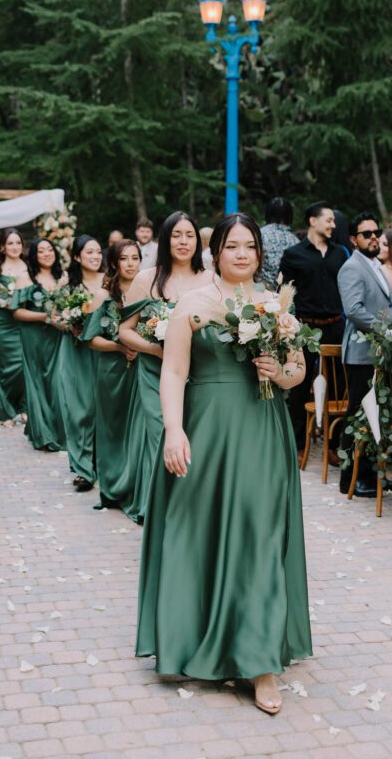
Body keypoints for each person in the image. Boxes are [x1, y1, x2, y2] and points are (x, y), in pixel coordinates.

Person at [135, 213, 311, 714]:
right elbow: (173, 371)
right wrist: (174, 430)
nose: (241, 254)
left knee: (260, 536)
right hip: (207, 429)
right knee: (201, 532)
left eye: (249, 246)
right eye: (232, 245)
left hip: (262, 430)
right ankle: (196, 639)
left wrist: (280, 373)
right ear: (216, 252)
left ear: (259, 253)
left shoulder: (276, 305)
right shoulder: (192, 304)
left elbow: (298, 369)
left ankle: (261, 663)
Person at [118, 212, 211, 523]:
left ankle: (189, 505)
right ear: (165, 240)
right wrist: (157, 349)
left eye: (189, 235)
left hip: (199, 373)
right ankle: (159, 505)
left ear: (198, 241)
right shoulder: (146, 279)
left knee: (193, 435)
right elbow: (125, 330)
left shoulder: (210, 279)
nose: (183, 242)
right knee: (162, 435)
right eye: (176, 235)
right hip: (155, 372)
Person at [279, 201, 347, 456]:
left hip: (335, 326)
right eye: (329, 220)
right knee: (299, 386)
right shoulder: (293, 254)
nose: (333, 225)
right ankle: (297, 446)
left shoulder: (340, 254)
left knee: (338, 387)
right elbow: (284, 293)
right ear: (312, 221)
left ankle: (333, 445)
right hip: (305, 328)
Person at [338, 213, 392, 498]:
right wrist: (387, 331)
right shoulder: (351, 267)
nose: (374, 237)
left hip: (378, 352)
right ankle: (351, 479)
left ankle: (373, 475)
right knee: (357, 416)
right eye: (366, 234)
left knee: (376, 415)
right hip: (362, 352)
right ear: (353, 239)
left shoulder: (375, 264)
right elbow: (354, 310)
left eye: (376, 232)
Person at [80, 239, 141, 511]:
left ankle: (135, 484)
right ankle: (111, 486)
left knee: (137, 428)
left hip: (141, 368)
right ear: (114, 263)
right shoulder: (104, 296)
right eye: (124, 258)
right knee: (112, 427)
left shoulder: (147, 292)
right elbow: (91, 339)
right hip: (112, 371)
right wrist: (119, 346)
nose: (131, 264)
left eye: (135, 258)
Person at [54, 234, 105, 492]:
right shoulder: (68, 284)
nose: (95, 256)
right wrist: (71, 324)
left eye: (98, 252)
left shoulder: (110, 280)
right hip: (75, 352)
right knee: (78, 408)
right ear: (77, 256)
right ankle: (83, 469)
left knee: (102, 407)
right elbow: (54, 316)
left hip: (104, 351)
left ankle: (102, 463)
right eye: (89, 252)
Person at [12, 239, 67, 453]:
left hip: (58, 336)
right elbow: (17, 311)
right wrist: (45, 317)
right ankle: (43, 434)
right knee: (37, 381)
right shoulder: (25, 278)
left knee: (57, 382)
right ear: (34, 255)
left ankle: (57, 429)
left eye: (50, 250)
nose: (46, 254)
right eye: (41, 251)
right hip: (34, 336)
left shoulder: (63, 277)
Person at [0, 228, 28, 427]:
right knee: (6, 368)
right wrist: (6, 303)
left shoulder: (29, 265)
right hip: (3, 322)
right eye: (10, 243)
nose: (15, 247)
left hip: (25, 322)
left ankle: (25, 407)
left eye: (18, 243)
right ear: (2, 246)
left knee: (25, 365)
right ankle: (6, 412)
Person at [260, 197, 299, 288]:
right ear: (289, 215)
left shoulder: (259, 234)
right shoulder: (295, 240)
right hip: (287, 290)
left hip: (261, 287)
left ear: (268, 213)